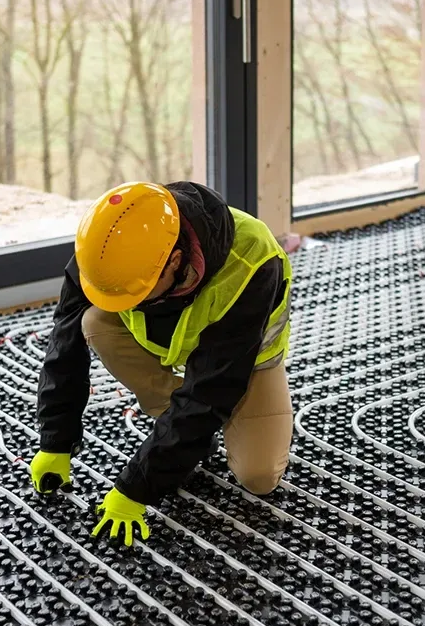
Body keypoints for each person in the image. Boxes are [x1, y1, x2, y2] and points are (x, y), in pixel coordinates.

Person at [29, 181, 294, 546]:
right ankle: (181, 430)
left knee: (258, 475)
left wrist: (136, 489)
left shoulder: (251, 262)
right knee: (93, 321)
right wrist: (55, 440)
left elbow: (211, 390)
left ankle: (194, 430)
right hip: (168, 341)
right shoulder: (109, 249)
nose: (122, 303)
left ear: (173, 261)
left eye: (133, 295)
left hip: (244, 362)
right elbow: (65, 343)